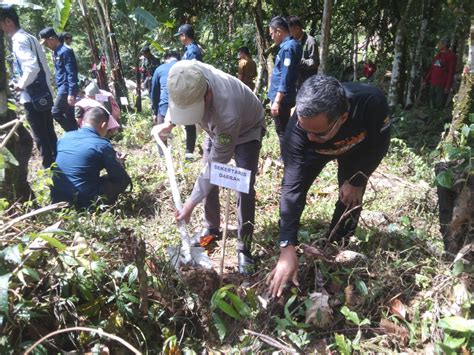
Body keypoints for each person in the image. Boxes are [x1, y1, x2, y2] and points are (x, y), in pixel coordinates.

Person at [267, 75, 391, 297]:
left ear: (342, 118)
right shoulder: (299, 134)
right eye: (306, 130)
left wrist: (357, 180)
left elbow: (379, 144)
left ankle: (336, 250)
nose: (311, 136)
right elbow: (292, 189)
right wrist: (287, 246)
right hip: (312, 156)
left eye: (319, 132)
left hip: (356, 149)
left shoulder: (371, 104)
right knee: (296, 185)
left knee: (351, 199)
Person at [152, 60, 265, 274]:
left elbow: (214, 168)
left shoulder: (227, 113)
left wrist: (189, 204)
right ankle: (211, 228)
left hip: (246, 129)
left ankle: (244, 247)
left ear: (208, 95)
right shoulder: (183, 72)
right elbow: (179, 99)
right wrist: (170, 121)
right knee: (207, 182)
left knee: (243, 186)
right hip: (214, 129)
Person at [0, 6, 57, 169]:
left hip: (32, 97)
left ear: (8, 21)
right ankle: (58, 163)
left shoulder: (18, 40)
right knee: (49, 132)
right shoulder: (30, 37)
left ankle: (49, 167)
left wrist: (20, 84)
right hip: (44, 93)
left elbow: (32, 66)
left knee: (40, 136)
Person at [51, 107, 131, 209]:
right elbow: (119, 177)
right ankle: (100, 207)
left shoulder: (65, 137)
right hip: (83, 201)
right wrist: (119, 163)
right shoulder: (102, 144)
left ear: (83, 122)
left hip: (57, 199)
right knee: (122, 180)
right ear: (103, 125)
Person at [268, 16, 302, 154]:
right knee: (284, 127)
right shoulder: (292, 45)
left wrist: (277, 100)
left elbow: (285, 76)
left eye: (271, 34)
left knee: (282, 129)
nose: (271, 37)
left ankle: (286, 158)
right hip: (282, 95)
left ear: (278, 31)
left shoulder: (288, 48)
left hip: (281, 97)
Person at [39, 27, 79, 132]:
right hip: (62, 87)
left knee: (56, 112)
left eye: (46, 43)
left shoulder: (65, 51)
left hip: (66, 88)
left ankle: (72, 134)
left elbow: (71, 73)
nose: (47, 46)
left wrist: (71, 93)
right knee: (69, 115)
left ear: (52, 39)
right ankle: (76, 138)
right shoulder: (56, 52)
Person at [175, 23, 203, 160]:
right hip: (191, 90)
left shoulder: (192, 51)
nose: (180, 39)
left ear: (184, 36)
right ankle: (189, 151)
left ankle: (189, 153)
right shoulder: (191, 49)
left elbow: (191, 73)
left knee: (190, 122)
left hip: (192, 90)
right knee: (189, 122)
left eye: (180, 36)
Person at [423, 37, 457, 109]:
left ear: (444, 45)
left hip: (441, 84)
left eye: (439, 43)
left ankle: (438, 118)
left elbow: (451, 72)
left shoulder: (451, 56)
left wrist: (447, 86)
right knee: (432, 102)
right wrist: (425, 80)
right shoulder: (438, 55)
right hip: (433, 82)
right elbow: (432, 69)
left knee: (439, 105)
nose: (438, 45)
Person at [287, 15, 319, 86]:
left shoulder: (310, 42)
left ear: (297, 28)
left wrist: (301, 61)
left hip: (308, 83)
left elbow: (315, 62)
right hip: (295, 83)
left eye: (291, 31)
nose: (290, 34)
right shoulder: (291, 41)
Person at [150, 51, 180, 126]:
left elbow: (154, 93)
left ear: (166, 59)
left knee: (161, 132)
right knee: (189, 131)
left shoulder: (160, 69)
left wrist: (155, 111)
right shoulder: (186, 68)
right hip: (186, 106)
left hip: (165, 106)